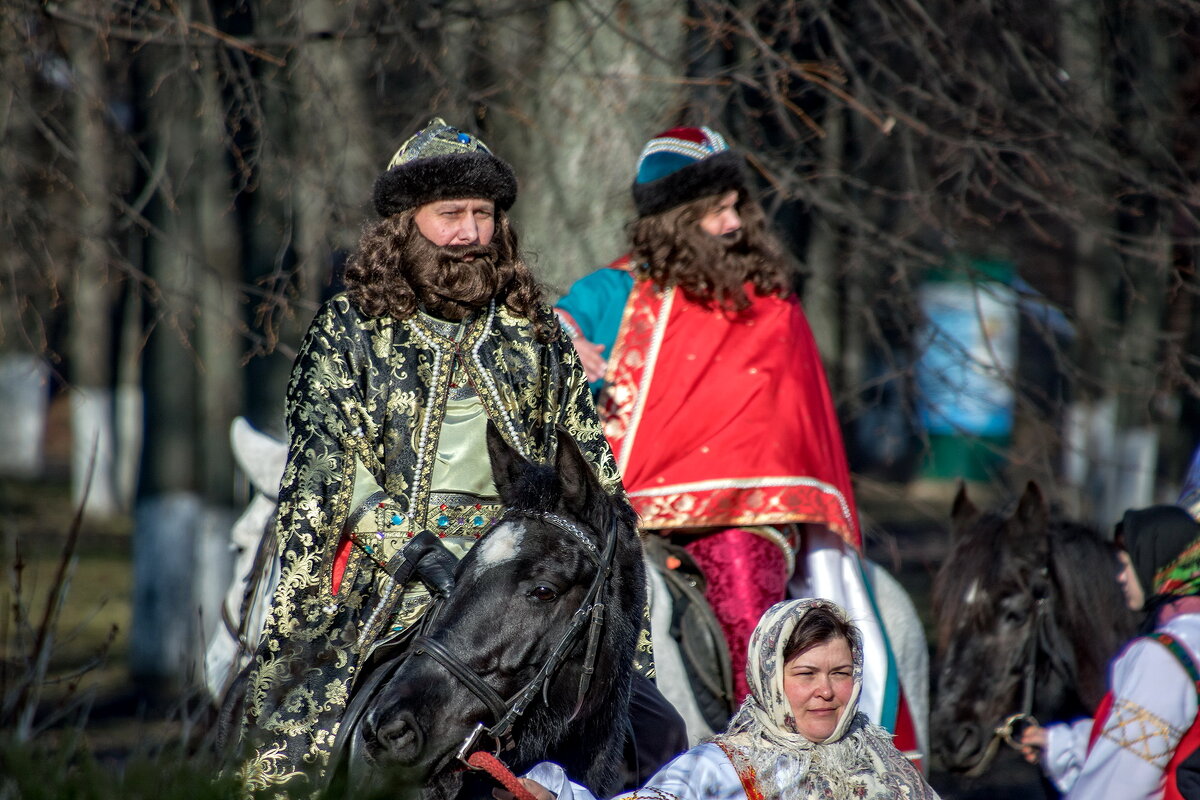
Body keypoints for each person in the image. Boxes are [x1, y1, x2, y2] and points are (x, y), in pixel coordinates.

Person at [233, 118, 671, 793]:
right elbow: (325, 477)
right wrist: (415, 551)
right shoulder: (348, 332)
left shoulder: (538, 333)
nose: (469, 233)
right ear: (408, 222)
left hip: (525, 588)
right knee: (287, 758)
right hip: (389, 580)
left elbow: (595, 476)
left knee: (658, 734)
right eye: (450, 216)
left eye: (482, 215)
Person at [554, 126, 920, 755]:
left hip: (746, 516)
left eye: (735, 207)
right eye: (714, 211)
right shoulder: (614, 290)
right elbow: (551, 327)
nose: (732, 225)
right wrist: (566, 342)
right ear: (673, 219)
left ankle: (781, 759)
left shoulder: (771, 304)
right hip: (621, 511)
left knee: (745, 601)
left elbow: (787, 430)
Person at [511, 598, 938, 800]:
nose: (826, 692)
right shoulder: (722, 768)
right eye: (806, 674)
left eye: (841, 674)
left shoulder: (883, 757)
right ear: (769, 678)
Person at [1020, 504, 1200, 799]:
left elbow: (1121, 776)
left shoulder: (1163, 657)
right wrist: (1061, 744)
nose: (1120, 578)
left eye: (1126, 564)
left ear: (1157, 564)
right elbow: (1169, 735)